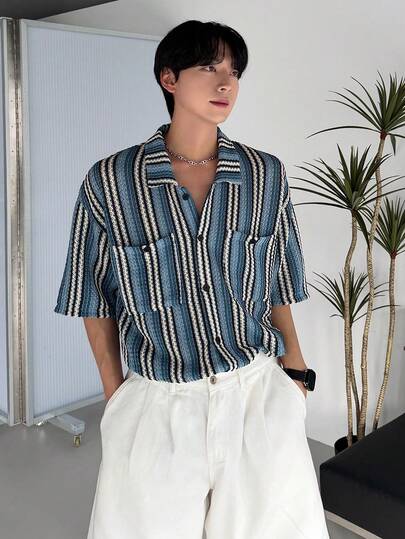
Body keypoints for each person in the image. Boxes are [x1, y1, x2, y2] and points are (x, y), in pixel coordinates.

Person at [54, 19, 330, 539]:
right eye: (208, 67)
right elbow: (93, 299)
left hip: (256, 393)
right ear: (169, 78)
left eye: (234, 71)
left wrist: (295, 376)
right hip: (158, 402)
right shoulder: (111, 182)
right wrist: (117, 398)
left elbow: (279, 282)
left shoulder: (264, 175)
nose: (226, 83)